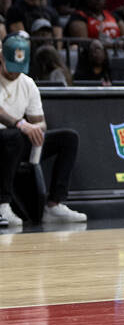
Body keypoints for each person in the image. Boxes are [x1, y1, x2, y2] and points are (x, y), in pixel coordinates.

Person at [0, 33, 87, 228]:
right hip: (3, 140)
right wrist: (22, 124)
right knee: (13, 135)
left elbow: (40, 122)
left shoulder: (28, 83)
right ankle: (2, 205)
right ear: (1, 57)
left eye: (19, 68)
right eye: (11, 67)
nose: (15, 73)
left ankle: (55, 204)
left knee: (68, 138)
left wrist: (36, 131)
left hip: (17, 140)